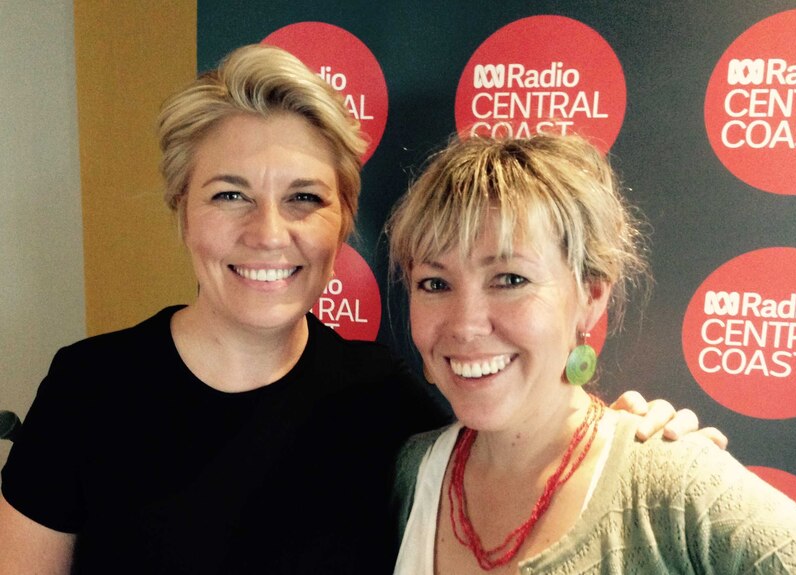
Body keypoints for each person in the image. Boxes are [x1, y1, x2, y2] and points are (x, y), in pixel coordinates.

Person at [0, 44, 716, 575]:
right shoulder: (88, 389)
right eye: (229, 194)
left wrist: (631, 449)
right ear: (181, 212)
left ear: (343, 221)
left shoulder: (392, 407)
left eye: (304, 198)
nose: (268, 233)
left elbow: (533, 461)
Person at [387, 134, 796, 574]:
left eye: (511, 279)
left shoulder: (674, 484)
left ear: (592, 295)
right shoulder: (414, 470)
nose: (466, 324)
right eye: (435, 283)